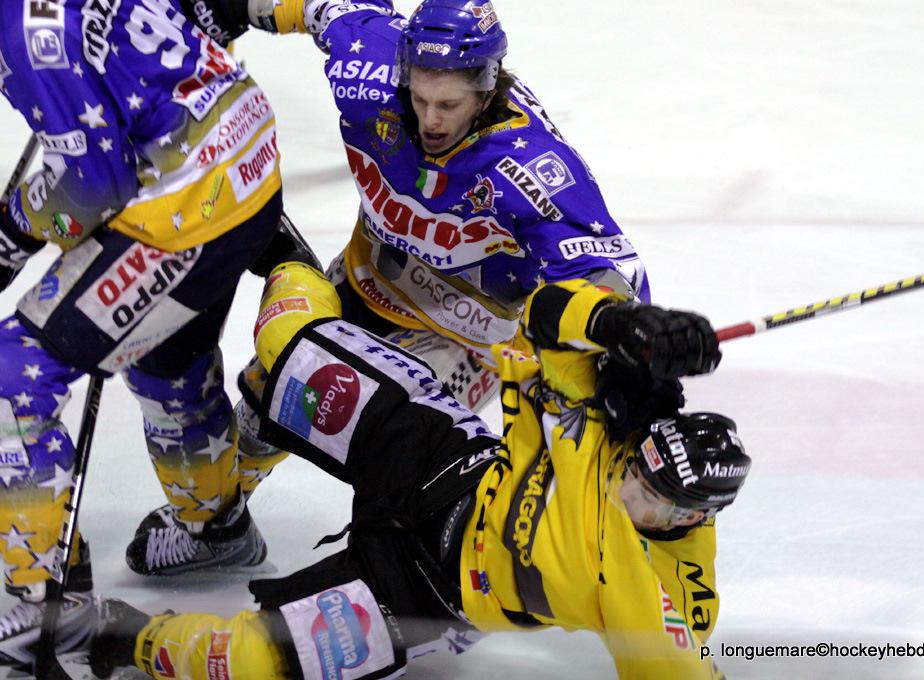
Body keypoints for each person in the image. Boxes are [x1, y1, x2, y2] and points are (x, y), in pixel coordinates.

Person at [129, 0, 659, 573]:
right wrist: (201, 12)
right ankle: (218, 533)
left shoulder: (530, 170)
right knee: (268, 403)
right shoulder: (370, 68)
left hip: (466, 336)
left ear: (487, 90)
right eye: (420, 98)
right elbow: (323, 6)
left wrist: (629, 351)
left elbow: (610, 275)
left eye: (449, 105)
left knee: (397, 460)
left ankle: (393, 584)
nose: (430, 120)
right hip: (368, 282)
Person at [89, 256, 746, 680]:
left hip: (427, 595)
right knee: (285, 344)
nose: (627, 487)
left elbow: (678, 665)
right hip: (438, 456)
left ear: (689, 518)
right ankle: (272, 239)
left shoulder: (668, 594)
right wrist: (622, 322)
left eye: (650, 497)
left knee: (251, 661)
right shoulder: (610, 421)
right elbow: (547, 312)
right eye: (636, 470)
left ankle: (123, 637)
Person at [0, 0, 285, 664]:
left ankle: (48, 614)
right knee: (165, 362)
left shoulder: (29, 30)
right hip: (245, 164)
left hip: (188, 205)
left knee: (12, 376)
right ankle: (215, 526)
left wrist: (15, 228)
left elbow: (93, 184)